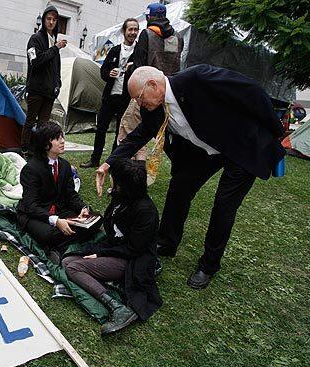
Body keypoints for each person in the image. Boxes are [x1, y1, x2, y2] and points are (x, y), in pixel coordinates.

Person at [96, 65, 286, 289]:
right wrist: (109, 163)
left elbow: (251, 91)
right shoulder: (152, 108)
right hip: (205, 150)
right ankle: (167, 241)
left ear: (153, 85)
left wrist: (275, 130)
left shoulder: (197, 79)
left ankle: (208, 265)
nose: (138, 103)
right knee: (179, 187)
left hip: (241, 147)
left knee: (224, 206)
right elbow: (138, 136)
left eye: (138, 97)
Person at [63, 158, 161, 334]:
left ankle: (117, 308)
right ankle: (110, 282)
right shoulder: (122, 198)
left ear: (124, 184)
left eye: (114, 177)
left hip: (132, 260)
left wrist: (99, 254)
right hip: (116, 248)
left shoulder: (146, 212)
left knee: (73, 267)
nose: (110, 179)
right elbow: (112, 231)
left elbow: (134, 249)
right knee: (67, 259)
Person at [16, 122, 100, 261]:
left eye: (62, 137)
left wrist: (83, 208)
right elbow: (31, 206)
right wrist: (56, 221)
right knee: (50, 234)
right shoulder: (31, 169)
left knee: (97, 219)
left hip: (61, 210)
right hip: (35, 214)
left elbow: (71, 195)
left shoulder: (65, 165)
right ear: (44, 145)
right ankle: (57, 248)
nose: (62, 141)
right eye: (57, 138)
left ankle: (61, 246)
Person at [116, 2, 183, 163]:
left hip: (145, 93)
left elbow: (139, 68)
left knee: (128, 134)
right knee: (153, 135)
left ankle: (125, 180)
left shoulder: (146, 34)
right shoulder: (178, 37)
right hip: (166, 94)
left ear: (148, 17)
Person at [80, 18, 139, 168]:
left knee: (120, 131)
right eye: (130, 29)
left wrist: (133, 68)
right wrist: (109, 73)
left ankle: (112, 162)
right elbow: (103, 71)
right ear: (124, 31)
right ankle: (95, 159)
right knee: (101, 128)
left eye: (135, 29)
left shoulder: (140, 52)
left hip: (127, 98)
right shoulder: (114, 50)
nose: (133, 32)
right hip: (110, 96)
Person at [20, 5, 67, 157]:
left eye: (54, 19)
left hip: (49, 91)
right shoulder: (35, 39)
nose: (51, 22)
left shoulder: (53, 40)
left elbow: (56, 68)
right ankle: (25, 149)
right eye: (49, 19)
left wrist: (57, 84)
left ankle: (37, 150)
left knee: (43, 125)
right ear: (44, 20)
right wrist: (55, 48)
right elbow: (36, 61)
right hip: (35, 90)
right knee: (30, 121)